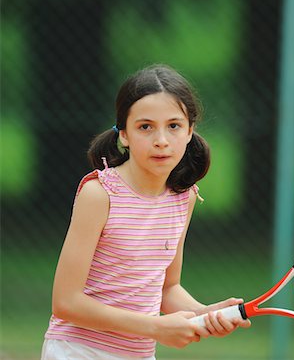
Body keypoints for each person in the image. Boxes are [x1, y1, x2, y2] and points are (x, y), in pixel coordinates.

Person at [41, 64, 250, 360]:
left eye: (174, 126)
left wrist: (203, 314)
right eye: (145, 126)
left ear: (190, 131)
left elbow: (168, 288)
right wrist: (154, 327)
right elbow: (65, 302)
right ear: (123, 134)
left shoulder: (184, 197)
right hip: (77, 351)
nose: (161, 140)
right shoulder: (99, 194)